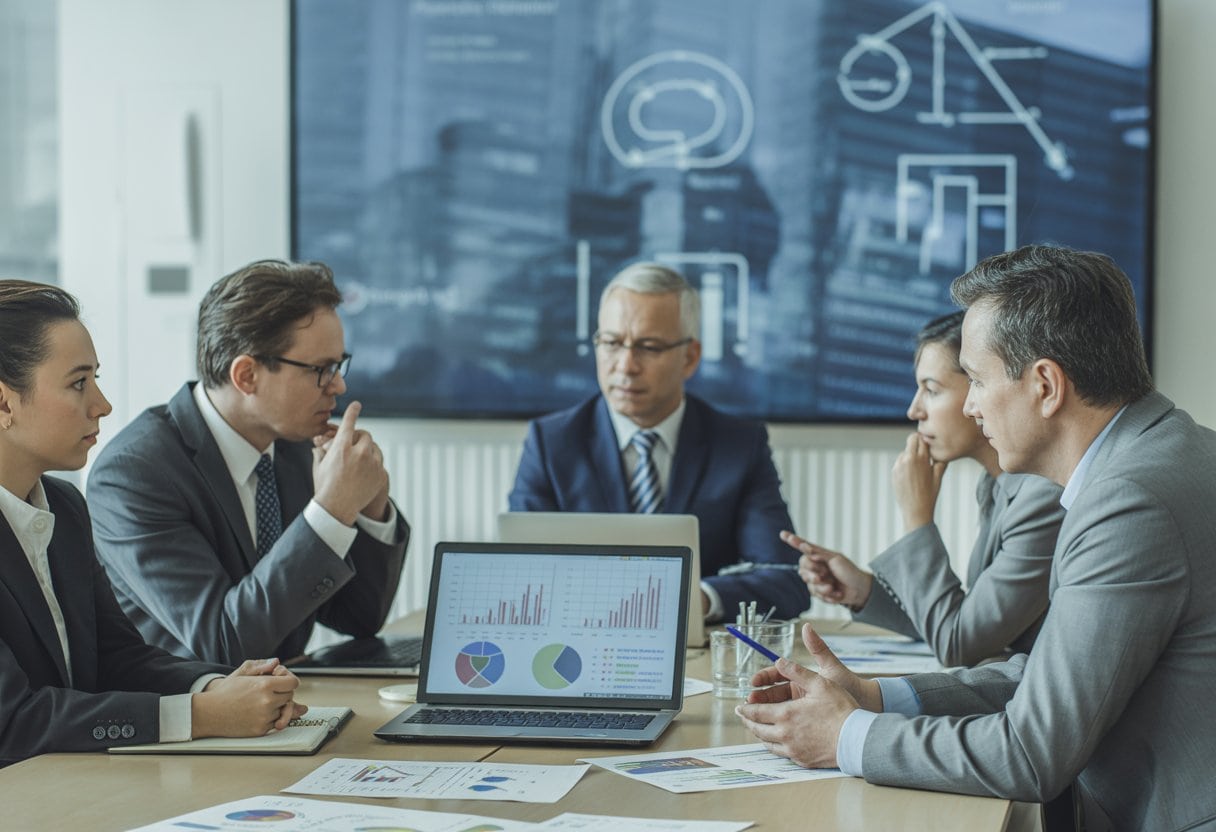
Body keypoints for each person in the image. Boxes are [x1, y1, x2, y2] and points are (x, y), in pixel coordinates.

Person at [736, 245, 1216, 831]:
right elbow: (1047, 671)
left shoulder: (1129, 501)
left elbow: (1031, 753)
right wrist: (876, 696)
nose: (970, 404)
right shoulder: (1167, 451)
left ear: (1045, 385)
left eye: (979, 379)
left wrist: (844, 735)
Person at [0, 280, 305, 765]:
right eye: (79, 383)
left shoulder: (64, 505)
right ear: (4, 403)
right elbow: (14, 721)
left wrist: (218, 686)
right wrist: (200, 715)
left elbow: (117, 658)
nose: (102, 404)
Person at [87, 260, 409, 665]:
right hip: (189, 714)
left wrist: (370, 507)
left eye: (339, 365)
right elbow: (224, 644)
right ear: (247, 375)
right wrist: (331, 511)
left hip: (289, 705)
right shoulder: (134, 474)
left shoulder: (295, 448)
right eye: (321, 370)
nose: (339, 385)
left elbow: (359, 619)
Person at [508, 262, 808, 621]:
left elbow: (786, 579)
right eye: (612, 343)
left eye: (648, 347)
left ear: (690, 357)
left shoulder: (739, 446)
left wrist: (696, 600)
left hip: (694, 656)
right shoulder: (552, 444)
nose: (625, 365)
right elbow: (517, 574)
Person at [785, 311, 1063, 666]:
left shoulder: (1041, 496)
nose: (914, 410)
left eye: (931, 390)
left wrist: (917, 519)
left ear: (982, 386)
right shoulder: (996, 486)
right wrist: (864, 592)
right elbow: (963, 624)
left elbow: (960, 645)